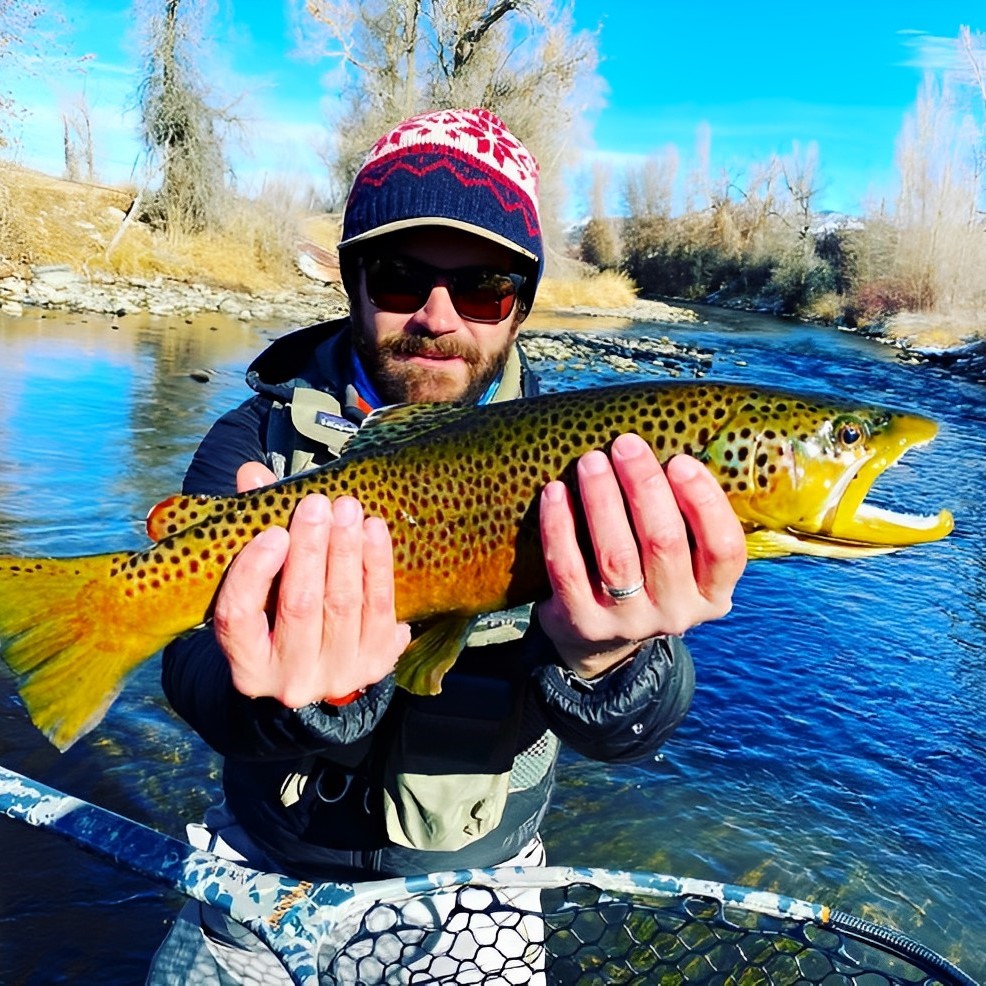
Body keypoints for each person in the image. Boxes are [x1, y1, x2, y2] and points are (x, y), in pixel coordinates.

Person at [147, 107, 746, 984]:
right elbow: (188, 668)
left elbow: (634, 734)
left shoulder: (593, 465)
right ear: (351, 281)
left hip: (481, 895)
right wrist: (286, 695)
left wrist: (612, 664)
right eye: (398, 276)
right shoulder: (256, 445)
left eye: (483, 289)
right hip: (260, 875)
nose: (436, 317)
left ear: (521, 308)